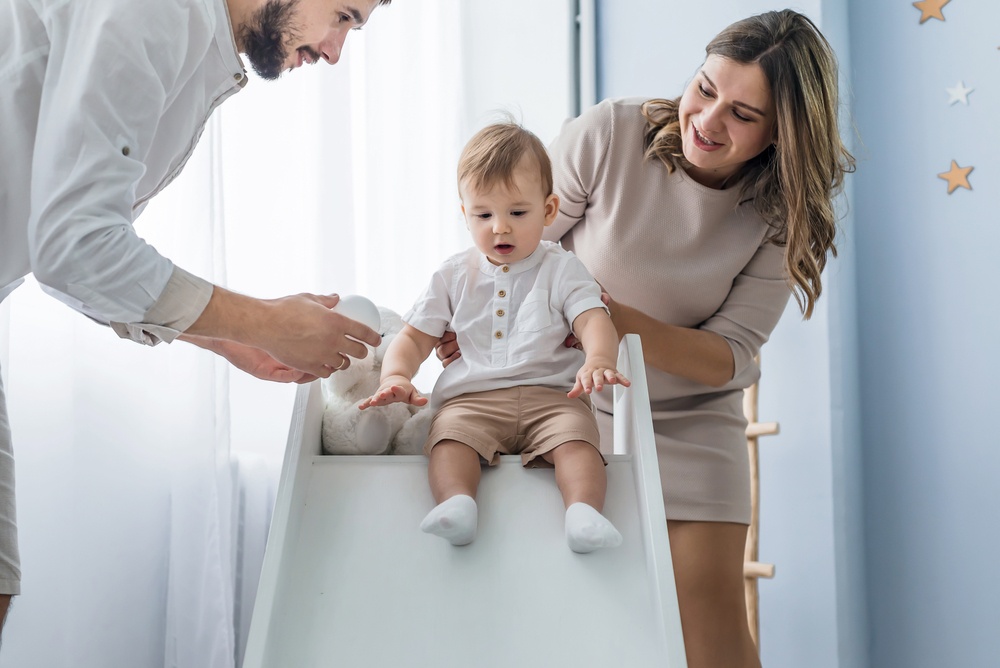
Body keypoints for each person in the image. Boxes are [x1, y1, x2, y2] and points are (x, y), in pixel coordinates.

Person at [438, 9, 855, 668]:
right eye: (706, 87)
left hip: (694, 422)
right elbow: (513, 249)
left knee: (708, 629)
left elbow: (728, 356)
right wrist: (460, 327)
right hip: (572, 405)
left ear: (782, 135)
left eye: (744, 115)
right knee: (572, 615)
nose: (709, 120)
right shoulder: (609, 134)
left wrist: (617, 318)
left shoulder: (780, 214)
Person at [0, 0, 394, 632]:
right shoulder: (151, 12)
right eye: (344, 16)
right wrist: (266, 322)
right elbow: (74, 248)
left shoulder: (195, 41)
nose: (335, 50)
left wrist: (227, 339)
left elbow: (73, 254)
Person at [359, 122, 631, 553]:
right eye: (483, 215)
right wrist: (396, 375)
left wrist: (598, 358)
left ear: (548, 210)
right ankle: (457, 505)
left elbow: (593, 319)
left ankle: (583, 513)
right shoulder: (452, 275)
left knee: (579, 442)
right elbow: (413, 338)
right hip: (473, 399)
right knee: (448, 438)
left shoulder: (563, 268)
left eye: (517, 213)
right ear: (464, 214)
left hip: (553, 398)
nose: (500, 228)